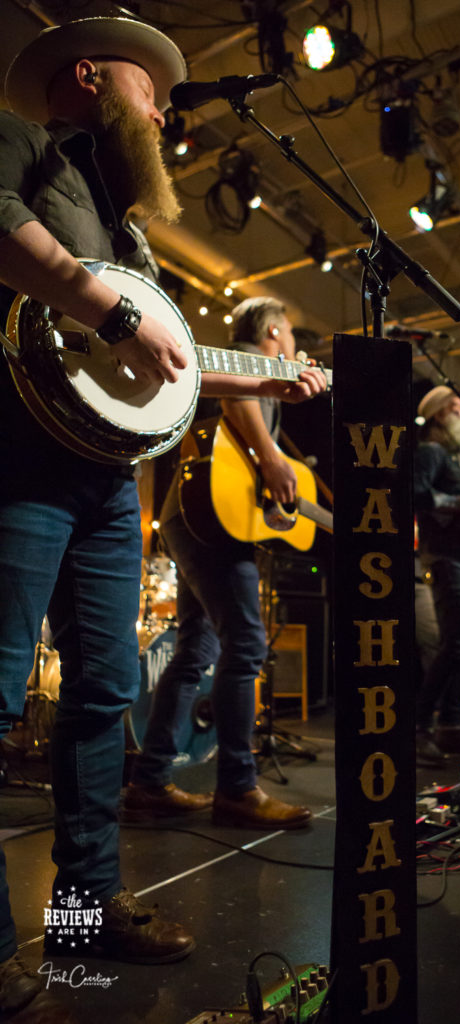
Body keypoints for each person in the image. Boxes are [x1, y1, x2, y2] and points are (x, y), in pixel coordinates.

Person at [0, 18, 325, 1022]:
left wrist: (277, 374)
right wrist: (107, 307)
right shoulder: (19, 140)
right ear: (89, 76)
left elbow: (170, 356)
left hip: (106, 482)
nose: (166, 106)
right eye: (154, 88)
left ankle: (82, 916)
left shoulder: (127, 224)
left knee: (103, 695)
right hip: (13, 460)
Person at [122, 296, 316, 831]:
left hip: (193, 516)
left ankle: (150, 781)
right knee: (246, 645)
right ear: (276, 329)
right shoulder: (242, 356)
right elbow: (237, 406)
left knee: (196, 651)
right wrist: (273, 461)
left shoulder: (269, 374)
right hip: (206, 520)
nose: (294, 343)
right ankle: (236, 788)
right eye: (292, 333)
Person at [413, 385, 460, 763]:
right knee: (456, 645)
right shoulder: (432, 451)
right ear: (442, 414)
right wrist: (457, 503)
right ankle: (419, 726)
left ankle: (451, 726)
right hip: (445, 557)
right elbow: (412, 495)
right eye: (459, 406)